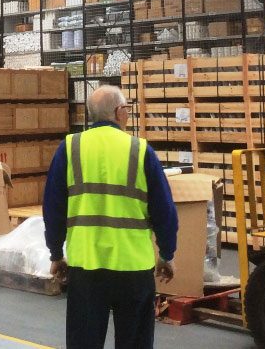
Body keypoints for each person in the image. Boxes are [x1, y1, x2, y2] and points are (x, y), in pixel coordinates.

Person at [42, 85, 179, 349]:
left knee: (84, 342)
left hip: (86, 268)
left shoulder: (69, 148)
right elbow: (165, 212)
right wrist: (166, 254)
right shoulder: (140, 150)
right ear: (119, 112)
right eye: (126, 109)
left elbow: (53, 209)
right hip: (133, 268)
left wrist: (56, 254)